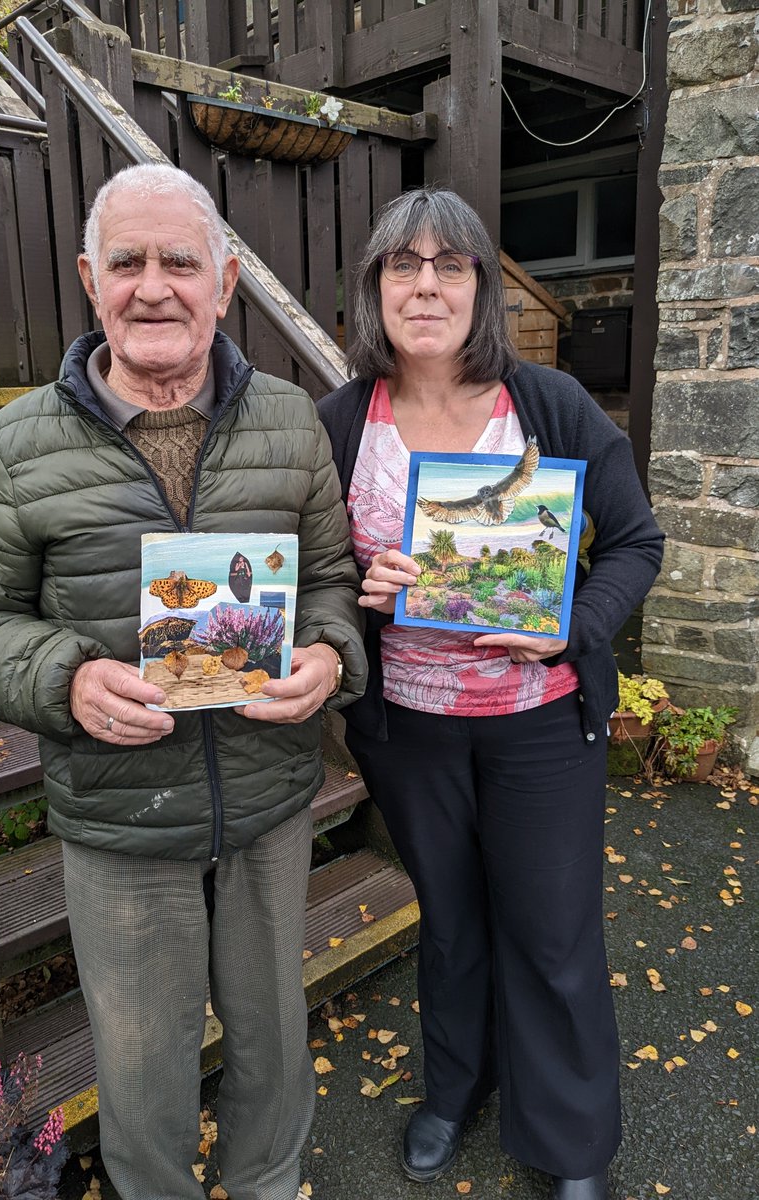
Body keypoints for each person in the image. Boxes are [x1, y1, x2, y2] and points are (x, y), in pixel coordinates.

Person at [0, 162, 366, 1200]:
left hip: (266, 799)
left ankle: (268, 1184)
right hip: (118, 813)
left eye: (181, 261)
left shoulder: (289, 421)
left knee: (273, 1035)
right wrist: (67, 678)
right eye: (126, 262)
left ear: (225, 281)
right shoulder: (20, 442)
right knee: (139, 1067)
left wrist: (327, 654)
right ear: (92, 280)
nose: (154, 286)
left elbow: (331, 579)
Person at [317, 188, 663, 1200]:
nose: (425, 285)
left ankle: (570, 1140)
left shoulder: (546, 404)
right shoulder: (341, 423)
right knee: (452, 920)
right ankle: (456, 1088)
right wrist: (359, 586)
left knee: (552, 931)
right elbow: (315, 575)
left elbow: (635, 543)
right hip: (408, 730)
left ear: (480, 287)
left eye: (450, 264)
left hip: (539, 723)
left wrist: (574, 626)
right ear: (376, 288)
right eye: (402, 265)